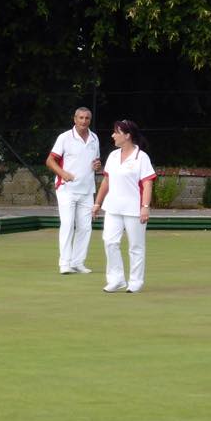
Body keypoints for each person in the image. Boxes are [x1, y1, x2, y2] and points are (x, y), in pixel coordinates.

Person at [92, 119, 156, 293]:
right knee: (109, 242)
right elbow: (106, 181)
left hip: (134, 209)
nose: (113, 135)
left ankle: (135, 281)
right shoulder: (113, 156)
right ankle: (116, 279)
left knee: (136, 246)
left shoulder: (141, 157)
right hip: (113, 207)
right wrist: (97, 203)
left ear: (127, 136)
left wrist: (145, 206)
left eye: (116, 132)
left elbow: (148, 183)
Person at [45, 107, 102, 274]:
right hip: (66, 189)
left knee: (85, 227)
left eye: (87, 118)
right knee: (68, 224)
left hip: (87, 189)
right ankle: (64, 263)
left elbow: (96, 162)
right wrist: (63, 173)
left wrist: (97, 165)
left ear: (90, 120)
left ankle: (78, 262)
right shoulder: (64, 137)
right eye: (81, 118)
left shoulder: (94, 138)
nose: (84, 121)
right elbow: (50, 161)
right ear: (75, 119)